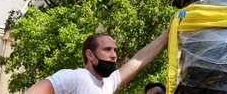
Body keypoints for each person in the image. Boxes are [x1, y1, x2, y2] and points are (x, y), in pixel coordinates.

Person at [24, 28, 169, 94]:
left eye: (115, 50)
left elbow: (139, 60)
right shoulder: (75, 77)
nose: (114, 55)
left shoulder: (109, 83)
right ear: (90, 54)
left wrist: (168, 32)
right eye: (107, 49)